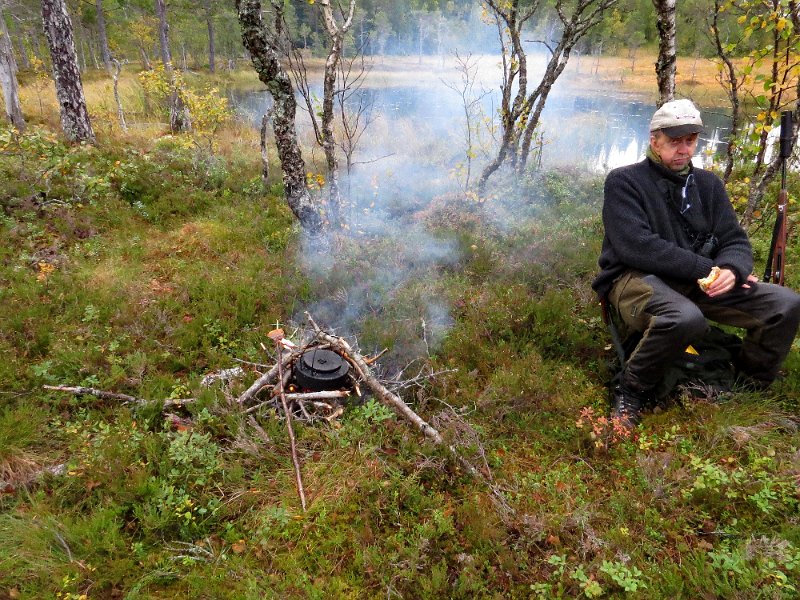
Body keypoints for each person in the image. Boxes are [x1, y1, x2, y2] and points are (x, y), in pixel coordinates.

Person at [592, 98, 800, 427]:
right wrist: (706, 269)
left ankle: (749, 385)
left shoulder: (708, 184)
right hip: (635, 277)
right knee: (684, 318)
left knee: (785, 304)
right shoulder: (625, 181)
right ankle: (631, 390)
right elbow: (637, 246)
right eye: (675, 141)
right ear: (655, 140)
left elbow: (734, 240)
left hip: (699, 280)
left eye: (690, 141)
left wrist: (732, 269)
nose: (684, 149)